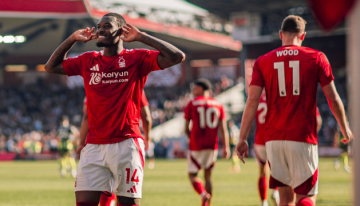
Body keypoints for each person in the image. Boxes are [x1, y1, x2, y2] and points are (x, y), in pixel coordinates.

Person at [44, 12, 185, 206]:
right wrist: (72, 39)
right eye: (99, 26)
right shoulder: (88, 60)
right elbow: (50, 67)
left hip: (126, 144)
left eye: (107, 26)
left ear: (121, 30)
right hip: (93, 146)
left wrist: (142, 37)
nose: (100, 29)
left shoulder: (137, 58)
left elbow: (177, 56)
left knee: (128, 204)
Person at [236, 15, 353, 206]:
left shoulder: (262, 61)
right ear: (303, 36)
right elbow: (333, 97)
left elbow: (252, 101)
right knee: (306, 197)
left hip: (273, 140)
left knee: (285, 199)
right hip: (302, 136)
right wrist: (344, 127)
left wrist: (242, 138)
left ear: (281, 34)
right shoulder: (317, 57)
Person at [254, 91, 323, 206]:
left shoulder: (260, 98)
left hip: (262, 139)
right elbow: (317, 120)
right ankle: (277, 192)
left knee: (263, 172)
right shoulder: (289, 95)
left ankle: (264, 202)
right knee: (292, 180)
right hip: (285, 139)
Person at [184, 79, 230, 206]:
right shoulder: (218, 105)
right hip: (212, 145)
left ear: (200, 89)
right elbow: (223, 129)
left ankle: (203, 194)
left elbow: (186, 128)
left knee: (192, 175)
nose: (193, 92)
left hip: (196, 145)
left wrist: (191, 138)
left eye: (194, 89)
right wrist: (226, 147)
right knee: (208, 177)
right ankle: (208, 204)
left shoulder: (192, 104)